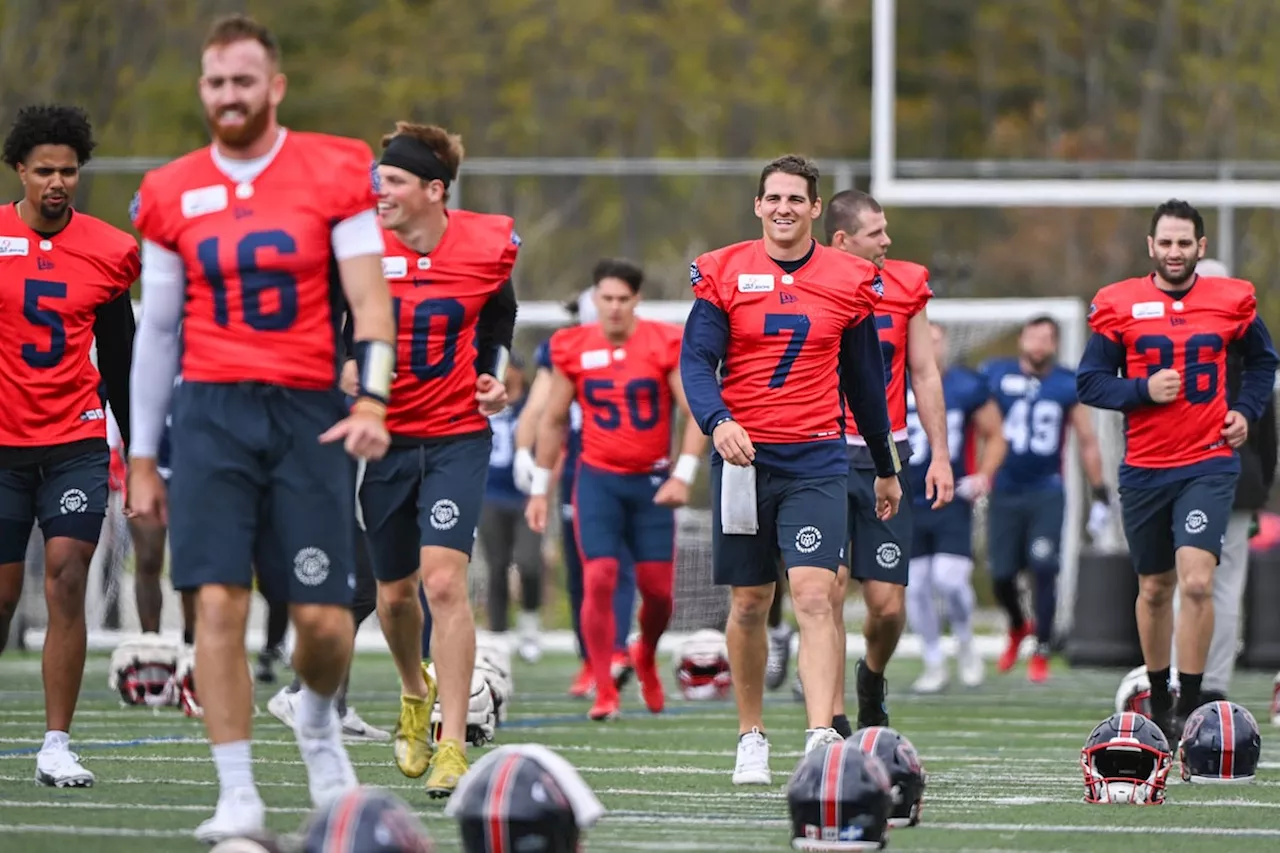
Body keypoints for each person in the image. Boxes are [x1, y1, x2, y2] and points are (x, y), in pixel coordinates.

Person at [127, 14, 396, 842]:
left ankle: (315, 714)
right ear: (201, 90)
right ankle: (238, 790)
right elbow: (159, 329)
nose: (228, 96)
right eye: (215, 82)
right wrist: (142, 451)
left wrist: (373, 399)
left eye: (243, 81)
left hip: (307, 408)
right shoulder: (171, 190)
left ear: (274, 86)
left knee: (321, 615)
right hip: (210, 410)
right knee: (216, 598)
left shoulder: (334, 167)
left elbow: (370, 302)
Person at [680, 154, 900, 785]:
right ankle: (751, 734)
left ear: (812, 207)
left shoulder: (850, 278)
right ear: (758, 206)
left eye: (795, 199)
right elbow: (697, 362)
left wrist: (885, 466)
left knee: (814, 593)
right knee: (750, 601)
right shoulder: (724, 271)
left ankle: (820, 737)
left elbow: (865, 383)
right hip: (744, 458)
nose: (783, 208)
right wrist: (719, 421)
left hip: (816, 456)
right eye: (772, 198)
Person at [1077, 199, 1278, 744]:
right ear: (1151, 246)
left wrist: (1246, 411)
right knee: (1155, 586)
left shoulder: (1231, 299)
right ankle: (1160, 695)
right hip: (1145, 467)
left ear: (1201, 248)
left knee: (1197, 581)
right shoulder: (1119, 302)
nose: (1174, 252)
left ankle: (1193, 704)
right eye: (1165, 242)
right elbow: (1090, 381)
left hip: (1208, 462)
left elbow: (1264, 361)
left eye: (1184, 243)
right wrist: (1142, 389)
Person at [359, 121, 518, 798]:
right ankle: (411, 691)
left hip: (456, 433)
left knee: (444, 582)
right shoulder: (362, 244)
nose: (379, 190)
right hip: (386, 436)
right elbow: (346, 329)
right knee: (394, 596)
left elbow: (498, 315)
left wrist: (493, 373)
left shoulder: (488, 241)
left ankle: (453, 744)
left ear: (434, 189)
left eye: (393, 180)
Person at [0, 104, 139, 788]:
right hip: (2, 444)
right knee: (1, 598)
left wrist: (138, 455)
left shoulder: (109, 249)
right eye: (45, 170)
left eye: (70, 170)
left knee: (67, 572)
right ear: (20, 171)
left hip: (76, 439)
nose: (58, 182)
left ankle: (56, 742)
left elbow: (120, 359)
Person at [526, 258, 705, 721]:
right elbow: (553, 419)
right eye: (606, 298)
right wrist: (540, 488)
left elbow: (696, 411)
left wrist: (682, 474)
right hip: (598, 478)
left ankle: (644, 653)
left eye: (623, 299)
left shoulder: (662, 341)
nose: (614, 307)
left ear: (637, 300)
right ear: (594, 300)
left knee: (659, 593)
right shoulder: (572, 345)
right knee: (599, 576)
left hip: (650, 482)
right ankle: (605, 686)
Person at [821, 189, 954, 734]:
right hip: (821, 455)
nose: (887, 241)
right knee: (823, 592)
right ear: (841, 240)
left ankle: (871, 677)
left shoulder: (904, 284)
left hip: (886, 460)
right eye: (876, 232)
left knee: (887, 607)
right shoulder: (807, 281)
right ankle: (829, 719)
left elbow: (923, 372)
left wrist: (941, 455)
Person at [514, 291, 639, 698]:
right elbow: (538, 408)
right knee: (583, 570)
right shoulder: (562, 350)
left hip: (630, 468)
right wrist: (523, 452)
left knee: (618, 565)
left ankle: (617, 652)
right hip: (580, 473)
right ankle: (592, 659)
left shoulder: (645, 343)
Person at [1170, 258, 1277, 706]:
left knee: (1188, 583)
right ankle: (1209, 683)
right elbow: (1267, 431)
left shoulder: (1174, 340)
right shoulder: (1250, 346)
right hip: (1232, 480)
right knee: (1217, 585)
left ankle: (1182, 680)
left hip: (1190, 475)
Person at [980, 315, 1107, 683]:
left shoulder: (1067, 383)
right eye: (1033, 336)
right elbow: (978, 423)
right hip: (1004, 488)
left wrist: (1099, 493)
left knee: (1044, 567)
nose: (1039, 344)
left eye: (1046, 338)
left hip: (1046, 490)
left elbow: (1087, 440)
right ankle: (1019, 626)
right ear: (1021, 339)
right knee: (1001, 574)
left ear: (1054, 344)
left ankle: (1042, 645)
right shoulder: (995, 376)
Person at [905, 323, 1007, 693]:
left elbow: (996, 434)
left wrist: (983, 475)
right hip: (904, 497)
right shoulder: (893, 382)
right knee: (915, 586)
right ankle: (933, 661)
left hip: (948, 495)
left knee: (948, 579)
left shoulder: (965, 385)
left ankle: (965, 640)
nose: (931, 347)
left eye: (936, 340)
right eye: (924, 339)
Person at [479, 356, 546, 662]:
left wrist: (545, 485)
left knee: (530, 562)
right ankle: (498, 635)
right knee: (496, 566)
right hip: (490, 494)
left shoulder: (532, 404)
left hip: (527, 496)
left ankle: (530, 628)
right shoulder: (483, 400)